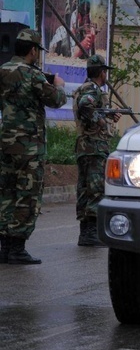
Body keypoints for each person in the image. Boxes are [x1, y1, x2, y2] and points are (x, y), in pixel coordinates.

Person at [0, 28, 67, 264]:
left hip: (6, 143)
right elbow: (57, 101)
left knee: (6, 193)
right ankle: (17, 248)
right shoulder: (33, 75)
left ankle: (4, 247)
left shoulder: (3, 71)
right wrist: (57, 84)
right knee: (27, 195)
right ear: (32, 50)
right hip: (29, 147)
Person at [73, 55, 119, 246]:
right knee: (96, 188)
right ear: (102, 72)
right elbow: (86, 105)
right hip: (95, 147)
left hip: (84, 146)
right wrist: (100, 120)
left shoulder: (81, 88)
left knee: (84, 189)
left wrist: (107, 113)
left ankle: (85, 232)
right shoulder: (93, 90)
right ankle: (91, 232)